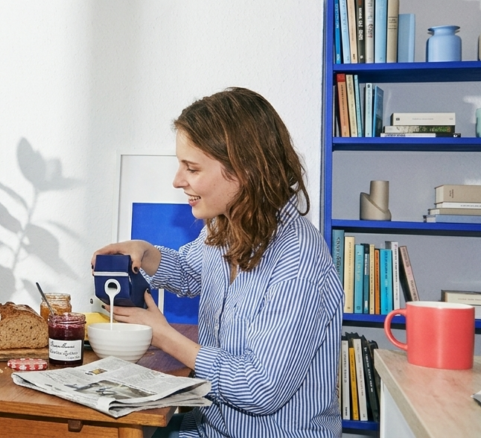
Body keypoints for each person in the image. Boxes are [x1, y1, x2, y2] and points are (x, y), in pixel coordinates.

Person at [93, 87, 343, 438]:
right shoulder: (226, 225)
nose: (177, 180)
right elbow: (191, 272)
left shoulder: (298, 261)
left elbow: (260, 389)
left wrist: (165, 337)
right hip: (211, 427)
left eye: (192, 168)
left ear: (243, 170)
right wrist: (147, 254)